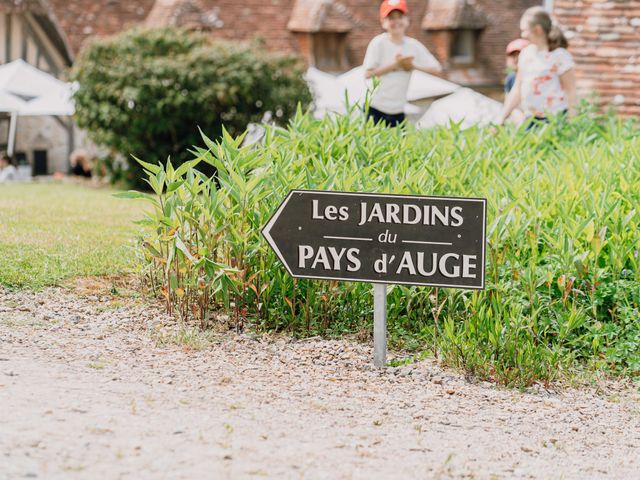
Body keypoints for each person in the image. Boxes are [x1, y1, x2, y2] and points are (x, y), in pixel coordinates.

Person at [363, 0, 442, 127]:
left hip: (398, 110)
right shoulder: (378, 43)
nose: (396, 21)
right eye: (391, 18)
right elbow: (367, 74)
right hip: (375, 108)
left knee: (398, 146)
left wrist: (412, 66)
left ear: (407, 20)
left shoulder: (413, 45)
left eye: (400, 17)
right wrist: (395, 65)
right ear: (383, 22)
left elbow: (437, 69)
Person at [498, 7, 577, 128]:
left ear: (538, 30)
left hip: (555, 119)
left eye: (525, 30)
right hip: (530, 119)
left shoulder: (560, 56)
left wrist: (572, 122)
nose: (522, 34)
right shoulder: (525, 54)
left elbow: (570, 91)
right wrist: (502, 117)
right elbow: (517, 89)